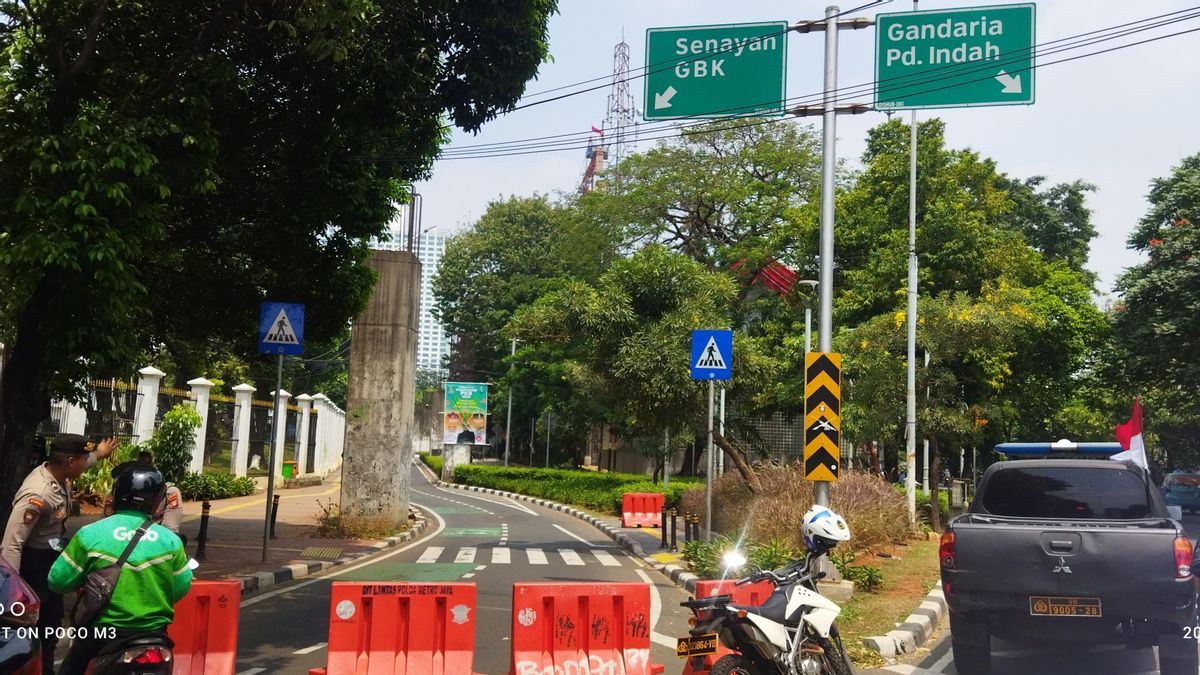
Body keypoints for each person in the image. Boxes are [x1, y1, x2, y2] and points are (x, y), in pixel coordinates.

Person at [49, 464, 192, 675]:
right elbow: (180, 588)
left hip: (102, 634)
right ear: (157, 501)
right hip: (155, 636)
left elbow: (57, 581)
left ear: (116, 495)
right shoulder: (170, 542)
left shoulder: (90, 534)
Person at [1, 434, 116, 674]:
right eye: (84, 460)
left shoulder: (60, 474)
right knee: (37, 632)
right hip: (32, 570)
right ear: (71, 462)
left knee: (51, 626)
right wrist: (14, 594)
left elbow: (87, 459)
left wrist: (99, 453)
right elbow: (12, 545)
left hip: (50, 563)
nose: (88, 464)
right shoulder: (37, 493)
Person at [105, 451, 187, 549]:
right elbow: (104, 528)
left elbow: (170, 536)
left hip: (154, 544)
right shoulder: (115, 493)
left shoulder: (169, 493)